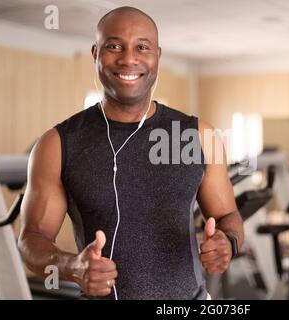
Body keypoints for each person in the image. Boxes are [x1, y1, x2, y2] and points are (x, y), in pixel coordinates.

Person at [18, 6, 243, 300]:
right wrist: (72, 265)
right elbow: (31, 239)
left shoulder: (197, 136)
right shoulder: (57, 144)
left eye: (142, 47)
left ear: (157, 56)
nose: (128, 58)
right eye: (113, 46)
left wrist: (227, 242)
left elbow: (228, 215)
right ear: (95, 54)